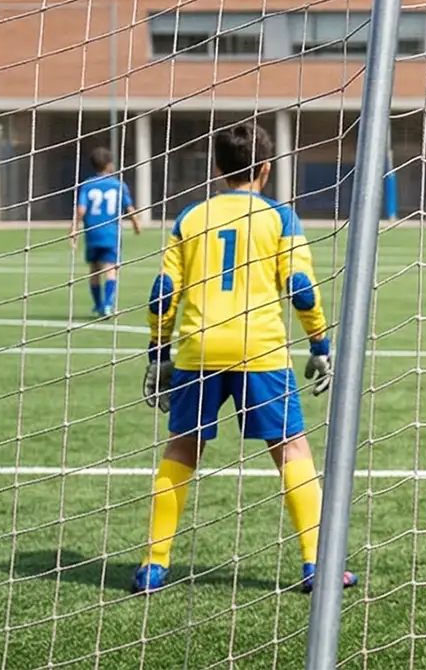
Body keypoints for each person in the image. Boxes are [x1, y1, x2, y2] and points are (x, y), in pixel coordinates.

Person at [133, 122, 348, 595]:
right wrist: (319, 345)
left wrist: (157, 353)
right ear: (266, 169)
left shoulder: (190, 218)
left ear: (217, 169)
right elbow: (302, 290)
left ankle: (155, 565)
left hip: (198, 349)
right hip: (261, 351)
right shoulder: (280, 218)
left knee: (182, 449)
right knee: (292, 449)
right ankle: (317, 565)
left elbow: (162, 293)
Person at [72, 147, 143, 318]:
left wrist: (73, 229)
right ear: (110, 165)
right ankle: (108, 305)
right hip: (111, 234)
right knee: (110, 269)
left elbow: (81, 209)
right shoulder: (118, 185)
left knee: (94, 270)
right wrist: (136, 224)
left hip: (93, 234)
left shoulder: (87, 185)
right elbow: (129, 208)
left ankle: (98, 305)